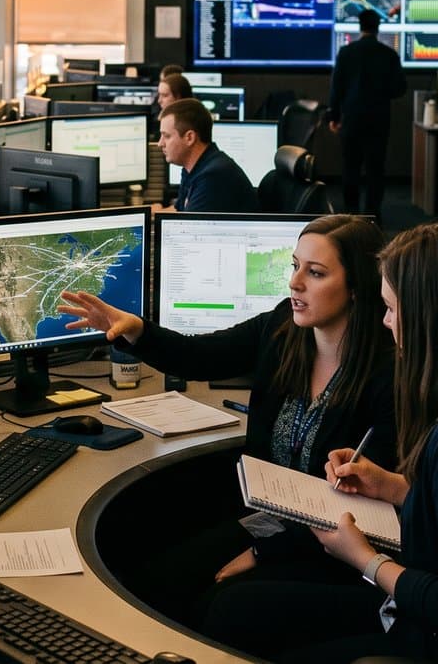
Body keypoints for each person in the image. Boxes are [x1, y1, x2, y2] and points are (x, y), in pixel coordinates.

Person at [202, 222, 438, 663]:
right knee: (237, 610)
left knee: (239, 616)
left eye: (390, 309)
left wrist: (363, 558)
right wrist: (392, 487)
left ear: (429, 318)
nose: (385, 324)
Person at [58, 214, 395, 625]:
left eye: (316, 272)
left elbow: (364, 509)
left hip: (328, 546)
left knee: (215, 607)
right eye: (294, 266)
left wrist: (261, 555)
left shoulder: (384, 373)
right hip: (266, 519)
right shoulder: (283, 327)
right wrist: (137, 331)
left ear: (358, 286)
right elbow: (205, 355)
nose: (295, 282)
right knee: (152, 582)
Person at [326, 9, 405, 216]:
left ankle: (350, 214)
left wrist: (333, 117)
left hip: (351, 120)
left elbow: (336, 88)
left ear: (360, 26)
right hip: (379, 120)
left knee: (350, 168)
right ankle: (372, 215)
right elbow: (400, 88)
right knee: (375, 170)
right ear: (378, 27)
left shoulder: (346, 52)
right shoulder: (389, 55)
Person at [160, 97, 259, 213]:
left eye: (166, 136)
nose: (160, 143)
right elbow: (180, 211)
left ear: (190, 138)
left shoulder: (213, 177)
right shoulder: (194, 168)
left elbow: (187, 227)